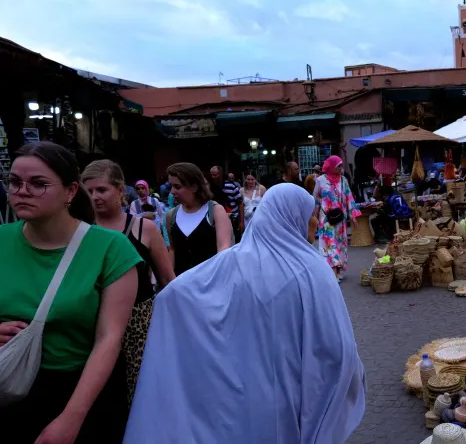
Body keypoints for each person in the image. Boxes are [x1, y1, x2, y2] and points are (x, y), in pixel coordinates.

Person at [123, 183, 366, 444]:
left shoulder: (234, 261)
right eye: (309, 214)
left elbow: (178, 293)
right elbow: (335, 347)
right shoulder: (312, 269)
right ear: (293, 216)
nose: (315, 221)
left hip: (250, 393)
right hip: (295, 389)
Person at [0, 142, 141, 443]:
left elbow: (109, 338)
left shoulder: (111, 248)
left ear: (71, 191)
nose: (22, 191)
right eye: (14, 181)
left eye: (38, 183)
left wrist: (71, 418)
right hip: (7, 387)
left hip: (81, 393)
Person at [81, 160, 175, 404]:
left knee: (142, 392)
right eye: (89, 191)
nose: (95, 197)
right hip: (93, 322)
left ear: (120, 190)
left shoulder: (144, 228)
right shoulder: (81, 230)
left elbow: (167, 280)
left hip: (140, 322)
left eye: (102, 190)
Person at [167, 163, 233, 276]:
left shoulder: (215, 211)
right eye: (171, 186)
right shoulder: (171, 215)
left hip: (210, 280)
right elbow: (172, 249)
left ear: (194, 187)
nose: (172, 191)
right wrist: (170, 279)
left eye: (177, 187)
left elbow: (224, 250)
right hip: (182, 282)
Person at [313, 156, 360, 281]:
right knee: (329, 244)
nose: (341, 168)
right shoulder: (320, 180)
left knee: (340, 244)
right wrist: (314, 217)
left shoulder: (343, 180)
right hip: (326, 219)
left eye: (341, 165)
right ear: (331, 166)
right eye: (338, 166)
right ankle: (332, 273)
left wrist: (353, 217)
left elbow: (349, 197)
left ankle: (337, 270)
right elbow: (316, 200)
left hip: (340, 219)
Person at [210, 165, 244, 241]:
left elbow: (240, 204)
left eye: (215, 175)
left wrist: (241, 222)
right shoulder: (210, 187)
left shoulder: (231, 186)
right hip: (216, 220)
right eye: (211, 175)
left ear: (220, 174)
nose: (213, 177)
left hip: (232, 219)